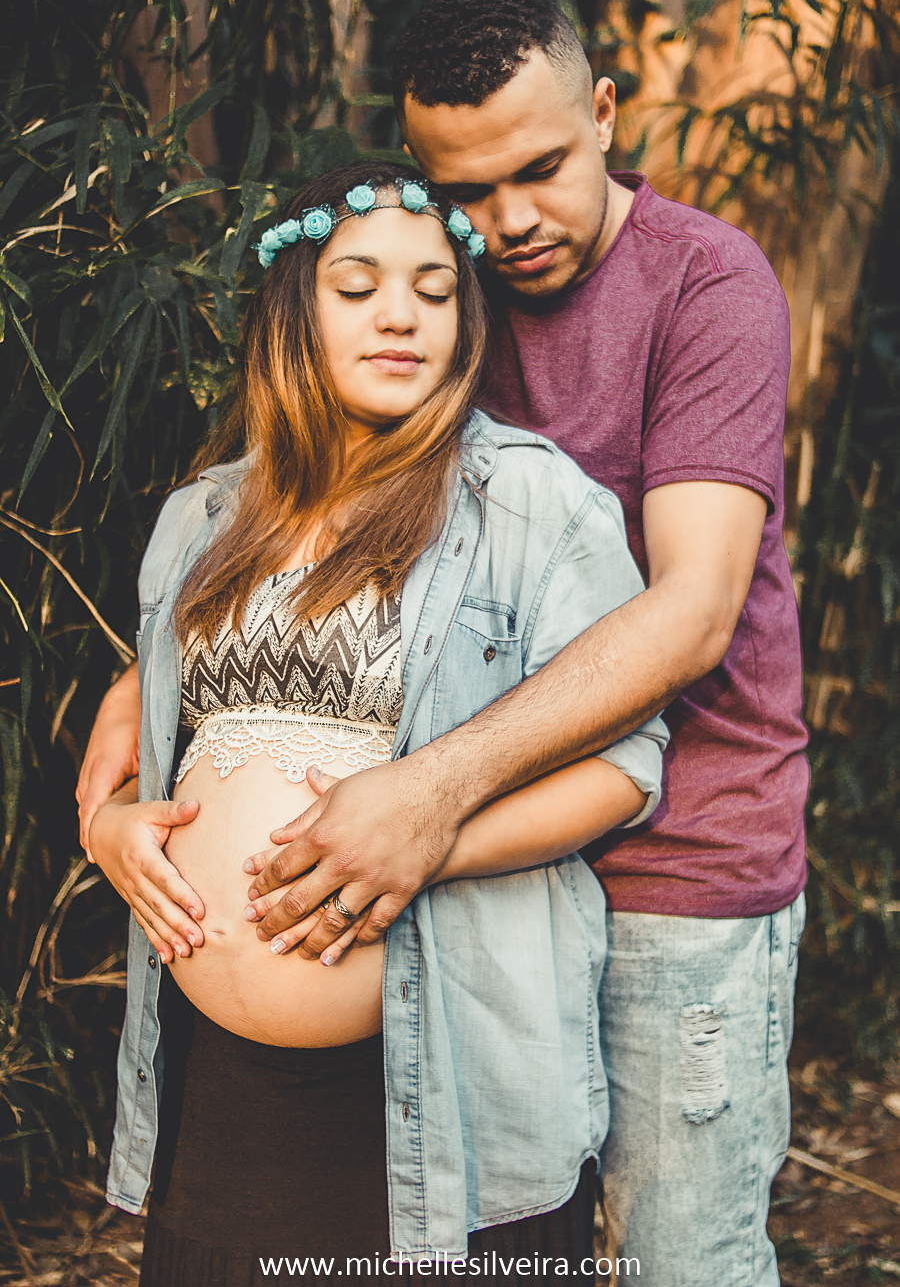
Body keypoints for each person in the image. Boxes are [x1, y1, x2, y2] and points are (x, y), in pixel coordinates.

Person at [79, 0, 808, 1286]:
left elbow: (691, 610)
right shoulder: (437, 292)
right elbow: (329, 528)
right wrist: (155, 685)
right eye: (468, 191)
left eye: (540, 169)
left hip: (679, 855)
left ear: (604, 112)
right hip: (450, 907)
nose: (510, 223)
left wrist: (426, 801)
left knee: (677, 1258)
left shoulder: (705, 284)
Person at [90, 158, 667, 1283]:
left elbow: (627, 768)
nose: (401, 314)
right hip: (223, 1090)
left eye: (435, 289)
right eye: (358, 287)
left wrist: (427, 840)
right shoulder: (200, 519)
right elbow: (162, 744)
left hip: (445, 1070)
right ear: (293, 308)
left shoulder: (533, 505)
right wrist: (114, 830)